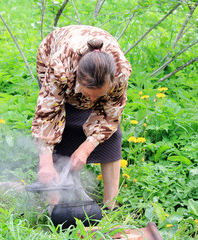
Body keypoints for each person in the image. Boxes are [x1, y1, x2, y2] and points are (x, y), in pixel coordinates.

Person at [31, 25, 132, 210]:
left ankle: (111, 206)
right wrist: (45, 161)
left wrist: (86, 149)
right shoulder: (59, 68)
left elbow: (110, 116)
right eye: (88, 94)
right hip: (52, 51)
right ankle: (54, 204)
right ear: (77, 79)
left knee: (112, 133)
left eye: (98, 95)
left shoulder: (121, 73)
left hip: (96, 70)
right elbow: (47, 114)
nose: (92, 100)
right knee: (65, 125)